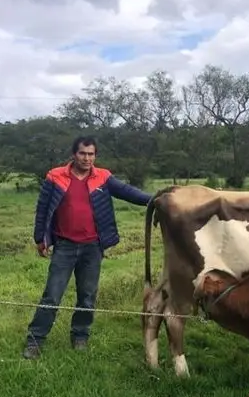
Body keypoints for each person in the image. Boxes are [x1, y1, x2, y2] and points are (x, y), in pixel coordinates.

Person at [22, 136, 152, 359]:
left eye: (91, 154)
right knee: (52, 296)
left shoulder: (103, 177)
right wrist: (39, 238)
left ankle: (80, 336)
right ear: (74, 154)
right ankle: (35, 340)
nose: (87, 158)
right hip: (64, 246)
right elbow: (42, 209)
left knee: (87, 296)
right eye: (83, 153)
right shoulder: (55, 176)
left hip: (92, 247)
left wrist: (156, 199)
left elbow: (128, 192)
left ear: (95, 156)